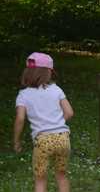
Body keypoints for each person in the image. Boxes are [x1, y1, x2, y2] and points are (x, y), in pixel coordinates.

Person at [13, 52, 73, 192]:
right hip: (62, 138)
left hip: (43, 141)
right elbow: (69, 112)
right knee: (61, 175)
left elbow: (20, 119)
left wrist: (16, 141)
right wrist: (56, 123)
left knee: (40, 178)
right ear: (48, 72)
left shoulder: (23, 95)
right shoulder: (56, 89)